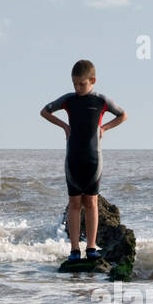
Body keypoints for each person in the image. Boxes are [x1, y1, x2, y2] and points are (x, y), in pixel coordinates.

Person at [40, 59, 126, 261]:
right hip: (73, 159)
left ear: (92, 80)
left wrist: (104, 128)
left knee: (92, 202)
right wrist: (64, 126)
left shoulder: (101, 101)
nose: (78, 88)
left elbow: (122, 115)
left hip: (94, 160)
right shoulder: (69, 100)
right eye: (75, 84)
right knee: (74, 203)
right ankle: (74, 250)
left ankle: (91, 247)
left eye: (82, 84)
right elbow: (45, 111)